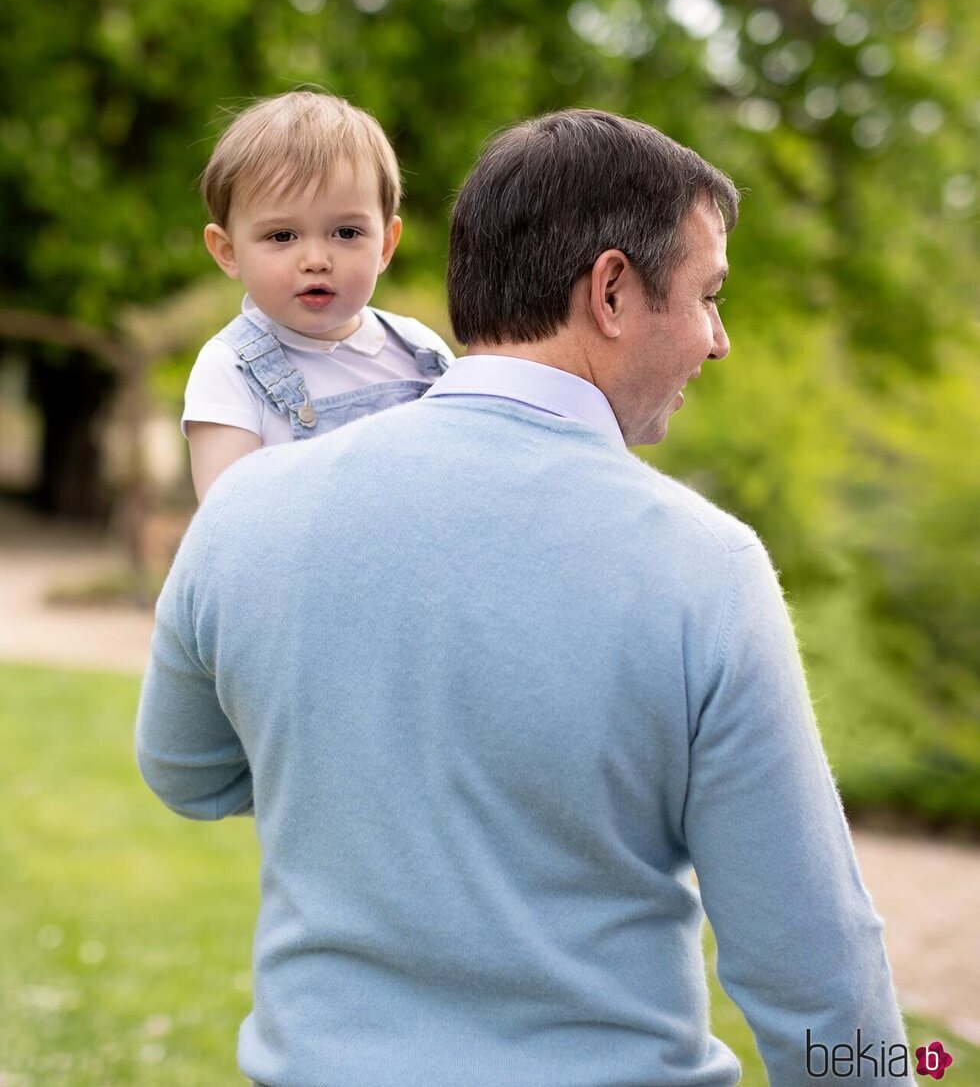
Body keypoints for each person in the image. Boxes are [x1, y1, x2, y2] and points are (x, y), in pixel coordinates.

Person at [137, 109, 911, 1086]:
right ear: (614, 291)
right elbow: (811, 953)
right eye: (709, 296)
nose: (718, 341)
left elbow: (185, 772)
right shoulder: (701, 567)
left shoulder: (244, 509)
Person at [183, 89, 453, 499]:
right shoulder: (229, 370)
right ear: (228, 251)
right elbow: (228, 530)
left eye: (346, 233)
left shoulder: (421, 355)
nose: (315, 259)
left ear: (385, 245)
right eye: (282, 235)